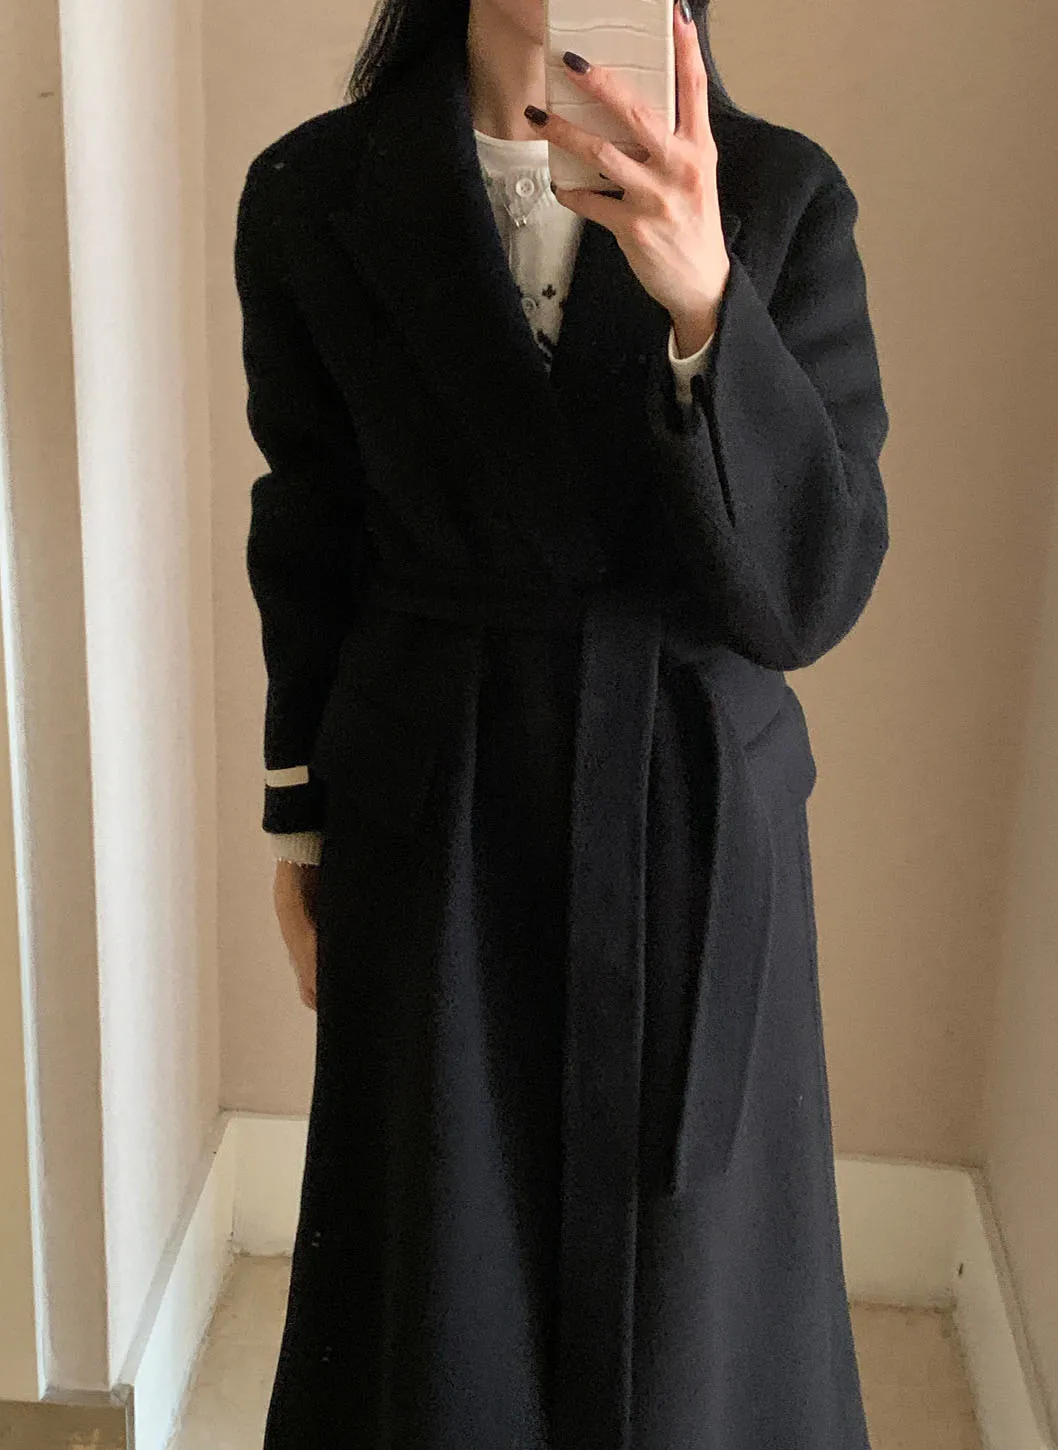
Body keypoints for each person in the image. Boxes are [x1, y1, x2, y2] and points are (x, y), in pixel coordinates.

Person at [233, 0, 891, 1440]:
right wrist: (302, 826)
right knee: (441, 1274)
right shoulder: (313, 191)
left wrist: (706, 302)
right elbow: (310, 530)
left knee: (690, 1305)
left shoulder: (774, 192)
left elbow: (809, 592)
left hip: (687, 808)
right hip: (437, 802)